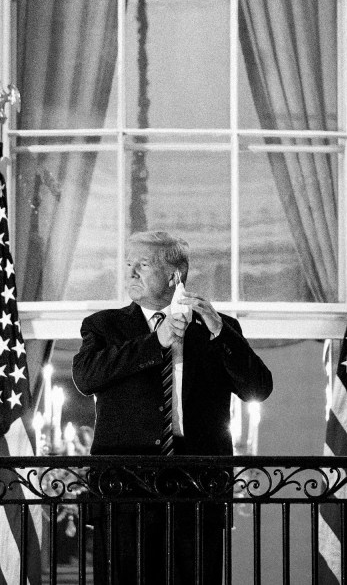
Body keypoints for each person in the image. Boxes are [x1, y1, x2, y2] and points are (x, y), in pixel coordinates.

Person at [72, 230, 273, 584]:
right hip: (124, 490)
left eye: (142, 264)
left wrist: (221, 333)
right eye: (128, 264)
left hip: (197, 488)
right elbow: (86, 377)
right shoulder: (104, 325)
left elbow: (258, 388)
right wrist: (156, 342)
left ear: (173, 276)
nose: (131, 272)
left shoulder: (217, 328)